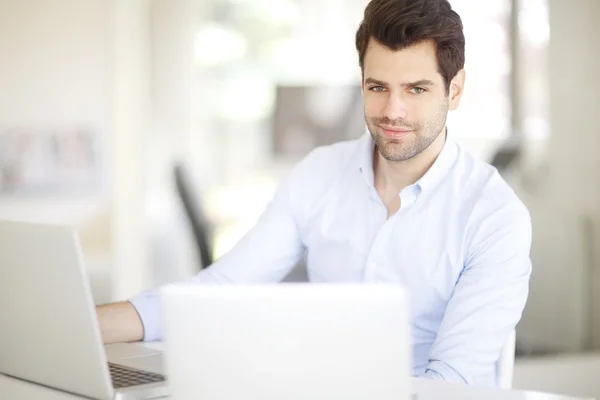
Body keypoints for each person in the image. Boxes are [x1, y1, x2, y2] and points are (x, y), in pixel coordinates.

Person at [97, 0, 532, 386]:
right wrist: (75, 325)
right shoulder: (320, 174)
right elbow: (220, 288)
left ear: (454, 91)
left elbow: (451, 383)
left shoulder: (494, 218)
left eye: (416, 89)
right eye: (377, 87)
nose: (392, 111)